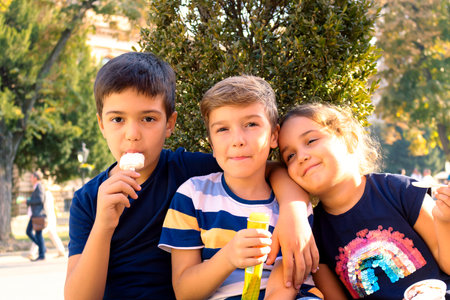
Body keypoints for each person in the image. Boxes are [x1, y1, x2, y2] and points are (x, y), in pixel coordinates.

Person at [64, 52, 318, 300]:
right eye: (117, 119)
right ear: (101, 125)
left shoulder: (188, 171)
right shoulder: (88, 200)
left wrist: (293, 209)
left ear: (170, 124)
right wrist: (104, 224)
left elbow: (259, 167)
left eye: (148, 118)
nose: (132, 134)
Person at [159, 76, 321, 299]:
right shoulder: (193, 196)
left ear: (274, 135)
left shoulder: (293, 205)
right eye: (223, 129)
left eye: (251, 124)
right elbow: (185, 292)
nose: (238, 140)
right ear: (211, 145)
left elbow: (294, 277)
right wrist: (228, 257)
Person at [277, 102, 450, 299]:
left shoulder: (399, 190)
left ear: (349, 139)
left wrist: (445, 222)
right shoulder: (313, 234)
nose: (301, 156)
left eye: (310, 141)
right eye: (290, 155)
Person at [29, 190, 66, 258]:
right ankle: (61, 251)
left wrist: (45, 218)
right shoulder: (48, 193)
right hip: (50, 217)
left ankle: (32, 253)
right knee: (53, 235)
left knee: (39, 234)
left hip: (48, 218)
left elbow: (47, 207)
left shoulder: (46, 194)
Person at [26, 171, 46, 261]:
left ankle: (42, 254)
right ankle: (42, 250)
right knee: (33, 233)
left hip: (38, 215)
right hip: (35, 214)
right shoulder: (36, 187)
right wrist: (29, 200)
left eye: (31, 177)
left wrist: (28, 201)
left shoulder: (39, 186)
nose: (30, 179)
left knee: (36, 233)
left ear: (35, 178)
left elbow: (40, 199)